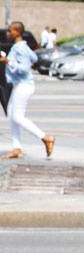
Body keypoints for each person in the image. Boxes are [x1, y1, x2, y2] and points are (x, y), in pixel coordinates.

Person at [0, 22, 54, 159]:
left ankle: (46, 138)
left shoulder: (20, 49)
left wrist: (8, 62)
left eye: (10, 31)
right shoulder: (22, 46)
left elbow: (24, 69)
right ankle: (16, 148)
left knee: (17, 117)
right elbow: (34, 58)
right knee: (12, 115)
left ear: (17, 32)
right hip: (20, 85)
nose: (8, 33)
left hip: (24, 85)